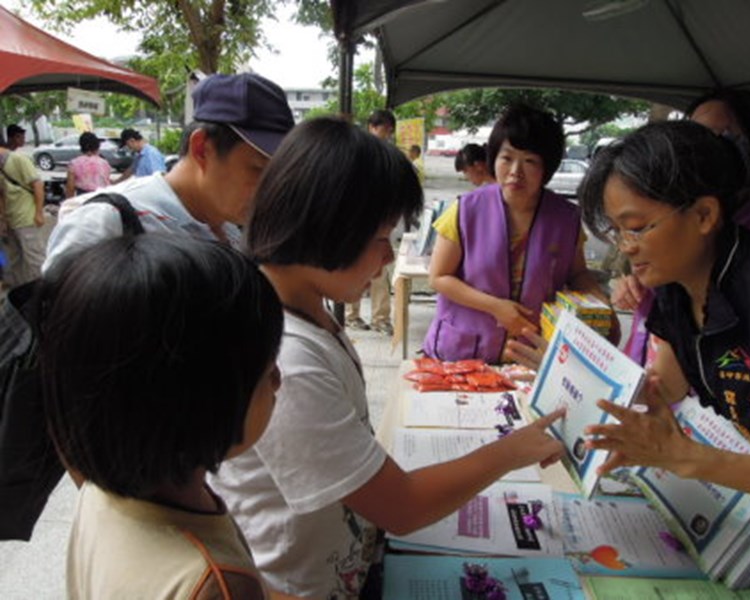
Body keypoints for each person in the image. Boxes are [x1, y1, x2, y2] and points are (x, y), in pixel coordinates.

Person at [210, 117, 566, 599]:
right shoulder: (285, 357)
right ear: (329, 227)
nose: (387, 258)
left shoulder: (308, 309)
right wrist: (512, 450)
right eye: (381, 238)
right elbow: (402, 507)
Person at [579, 121, 750, 595]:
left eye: (636, 227)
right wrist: (573, 380)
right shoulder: (674, 285)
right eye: (617, 231)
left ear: (703, 215)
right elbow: (665, 388)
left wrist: (688, 457)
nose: (625, 248)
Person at [38, 233, 297, 599]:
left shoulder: (103, 491)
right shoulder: (217, 585)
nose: (278, 381)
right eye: (266, 370)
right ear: (202, 404)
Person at [612, 89, 750, 367]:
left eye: (716, 137)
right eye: (691, 134)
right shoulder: (679, 216)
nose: (696, 149)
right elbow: (661, 388)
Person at [423, 104, 616, 365]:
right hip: (464, 352)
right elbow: (439, 277)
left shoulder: (566, 219)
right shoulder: (464, 210)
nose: (515, 171)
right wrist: (495, 306)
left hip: (531, 354)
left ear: (546, 167)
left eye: (529, 161)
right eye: (507, 158)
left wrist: (600, 304)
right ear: (494, 159)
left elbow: (578, 274)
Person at [44, 72, 295, 272]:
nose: (270, 189)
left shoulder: (228, 230)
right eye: (259, 170)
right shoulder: (107, 223)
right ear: (202, 149)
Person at [346, 109, 397, 335]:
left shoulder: (389, 155)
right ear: (371, 127)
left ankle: (380, 318)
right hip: (357, 221)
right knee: (354, 268)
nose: (385, 133)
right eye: (382, 128)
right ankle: (351, 315)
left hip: (379, 220)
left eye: (388, 129)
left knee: (381, 271)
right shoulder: (357, 152)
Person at [0, 142, 46, 288]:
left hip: (26, 218)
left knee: (34, 259)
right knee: (12, 259)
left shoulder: (18, 159)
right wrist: (3, 219)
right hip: (11, 220)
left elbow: (37, 185)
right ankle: (19, 290)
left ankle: (42, 292)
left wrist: (39, 213)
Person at [65, 132, 112, 198]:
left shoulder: (74, 164)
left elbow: (70, 188)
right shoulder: (104, 163)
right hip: (103, 198)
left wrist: (69, 203)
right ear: (97, 146)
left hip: (83, 198)